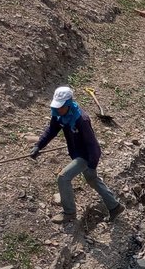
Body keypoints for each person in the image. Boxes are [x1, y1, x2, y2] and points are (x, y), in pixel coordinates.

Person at [30, 87, 123, 224]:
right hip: (76, 152)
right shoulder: (59, 114)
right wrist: (38, 145)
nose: (58, 109)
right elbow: (52, 130)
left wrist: (92, 165)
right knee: (92, 180)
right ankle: (115, 206)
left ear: (68, 103)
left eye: (61, 106)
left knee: (63, 177)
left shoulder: (81, 120)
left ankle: (69, 212)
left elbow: (93, 145)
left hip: (85, 155)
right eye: (57, 106)